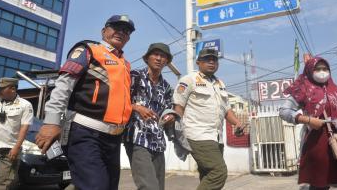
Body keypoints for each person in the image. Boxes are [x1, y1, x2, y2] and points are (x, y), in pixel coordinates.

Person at [35, 15, 135, 190]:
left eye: (126, 31)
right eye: (116, 27)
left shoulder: (125, 64)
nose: (121, 32)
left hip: (113, 139)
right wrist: (52, 121)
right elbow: (64, 85)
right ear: (104, 31)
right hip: (85, 133)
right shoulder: (88, 50)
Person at [279, 57, 337, 190]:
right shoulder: (302, 90)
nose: (322, 71)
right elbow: (284, 111)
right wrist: (308, 120)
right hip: (318, 142)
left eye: (325, 69)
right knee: (320, 181)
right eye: (317, 69)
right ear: (309, 71)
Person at [173, 48, 245, 190]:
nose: (211, 62)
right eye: (207, 59)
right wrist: (178, 133)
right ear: (198, 62)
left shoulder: (220, 84)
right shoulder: (189, 80)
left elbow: (226, 110)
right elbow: (178, 107)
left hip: (216, 137)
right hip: (197, 135)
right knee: (219, 172)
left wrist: (237, 123)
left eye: (214, 59)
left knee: (207, 175)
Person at [124, 43, 175, 190]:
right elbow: (118, 100)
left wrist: (170, 117)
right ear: (147, 58)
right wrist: (137, 107)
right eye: (155, 54)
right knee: (148, 187)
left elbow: (168, 110)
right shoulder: (134, 76)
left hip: (158, 141)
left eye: (163, 56)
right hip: (136, 138)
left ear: (167, 61)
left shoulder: (166, 86)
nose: (159, 58)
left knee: (159, 187)